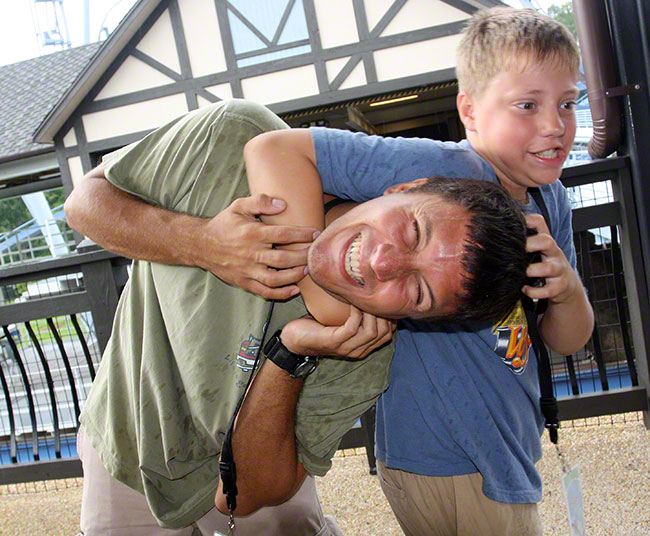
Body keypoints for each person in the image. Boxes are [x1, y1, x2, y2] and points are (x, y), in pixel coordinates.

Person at [64, 98, 529, 535]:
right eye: (412, 230)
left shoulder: (362, 349)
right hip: (126, 438)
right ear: (403, 188)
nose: (385, 263)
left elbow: (241, 497)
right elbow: (84, 201)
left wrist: (290, 353)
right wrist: (203, 243)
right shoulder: (231, 137)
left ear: (415, 319)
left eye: (417, 291)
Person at [232, 7, 594, 535]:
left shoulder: (550, 201)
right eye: (526, 105)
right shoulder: (443, 172)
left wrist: (566, 291)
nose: (554, 126)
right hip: (441, 450)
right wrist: (319, 281)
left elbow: (564, 341)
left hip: (507, 445)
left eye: (567, 103)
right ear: (469, 111)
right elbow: (276, 147)